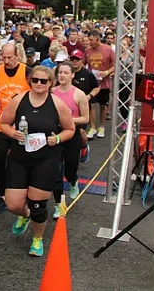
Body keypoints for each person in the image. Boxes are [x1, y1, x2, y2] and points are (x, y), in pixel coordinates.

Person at [0, 65, 75, 257]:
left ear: (51, 83)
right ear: (30, 81)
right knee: (13, 204)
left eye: (44, 81)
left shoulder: (57, 104)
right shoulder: (18, 100)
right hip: (19, 157)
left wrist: (56, 139)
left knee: (38, 205)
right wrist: (13, 133)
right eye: (35, 80)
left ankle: (37, 239)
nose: (39, 84)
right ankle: (25, 216)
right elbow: (3, 123)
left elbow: (70, 130)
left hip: (46, 159)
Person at [0, 43, 32, 214]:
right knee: (0, 161)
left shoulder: (27, 71)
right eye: (3, 58)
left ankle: (23, 195)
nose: (6, 61)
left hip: (22, 125)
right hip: (1, 124)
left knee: (21, 161)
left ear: (17, 56)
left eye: (9, 58)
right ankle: (3, 196)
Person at [51, 62, 90, 212]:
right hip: (56, 134)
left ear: (72, 75)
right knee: (55, 171)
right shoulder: (52, 92)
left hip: (73, 134)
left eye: (66, 73)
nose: (62, 75)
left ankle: (73, 181)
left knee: (70, 169)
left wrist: (68, 119)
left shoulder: (79, 94)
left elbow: (85, 118)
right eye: (60, 72)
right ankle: (58, 204)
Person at [85, 29, 115, 139]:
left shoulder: (108, 50)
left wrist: (106, 72)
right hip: (92, 83)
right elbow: (83, 64)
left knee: (103, 106)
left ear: (98, 39)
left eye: (91, 40)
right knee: (91, 105)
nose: (90, 42)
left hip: (104, 83)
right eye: (89, 40)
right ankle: (92, 127)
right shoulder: (87, 50)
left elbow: (115, 65)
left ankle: (101, 126)